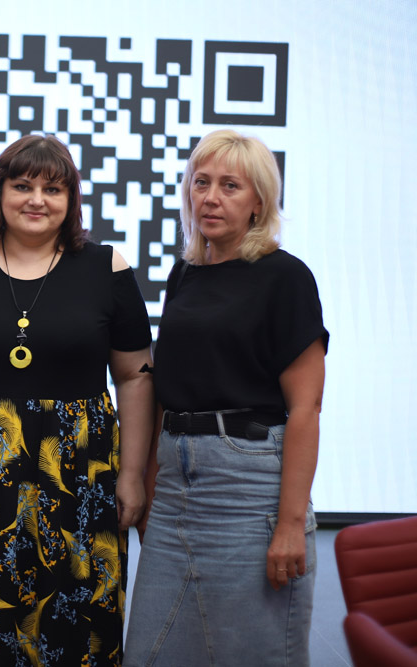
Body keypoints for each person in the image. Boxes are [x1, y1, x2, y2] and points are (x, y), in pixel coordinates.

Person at [0, 134, 155, 666]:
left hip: (82, 474)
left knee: (78, 623)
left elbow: (134, 377)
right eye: (22, 186)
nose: (37, 200)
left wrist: (131, 475)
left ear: (71, 199)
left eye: (53, 189)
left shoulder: (107, 267)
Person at [123, 129, 329, 666]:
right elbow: (168, 392)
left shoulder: (285, 277)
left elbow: (306, 409)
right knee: (148, 654)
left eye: (230, 186)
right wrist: (150, 488)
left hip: (248, 489)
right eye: (201, 182)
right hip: (175, 488)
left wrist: (290, 524)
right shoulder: (185, 274)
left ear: (259, 201)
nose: (211, 197)